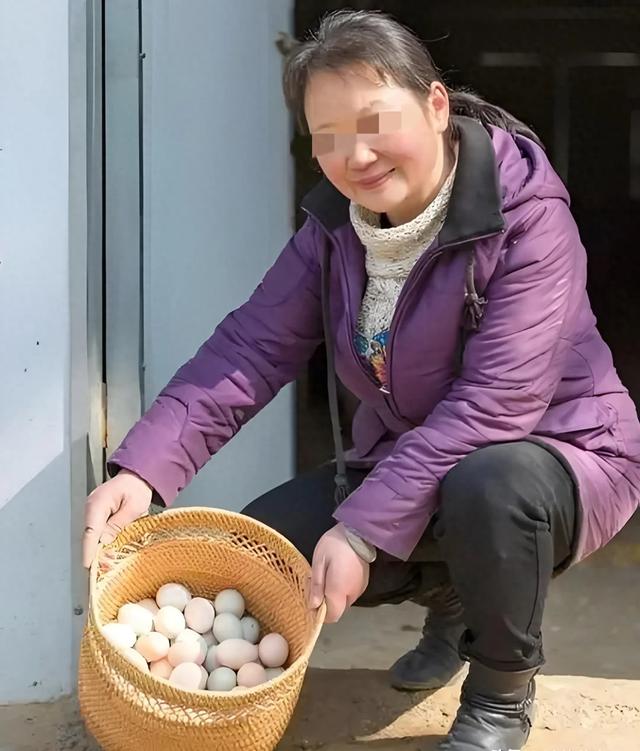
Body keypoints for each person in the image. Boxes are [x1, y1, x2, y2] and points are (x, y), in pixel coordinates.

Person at [82, 9, 640, 751]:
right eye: (328, 137)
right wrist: (144, 468)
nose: (355, 155)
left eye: (374, 121)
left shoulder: (527, 215)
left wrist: (365, 528)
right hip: (412, 458)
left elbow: (496, 405)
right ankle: (450, 590)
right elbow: (250, 348)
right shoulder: (334, 228)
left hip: (557, 456)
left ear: (436, 105)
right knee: (265, 555)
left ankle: (501, 692)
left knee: (487, 486)